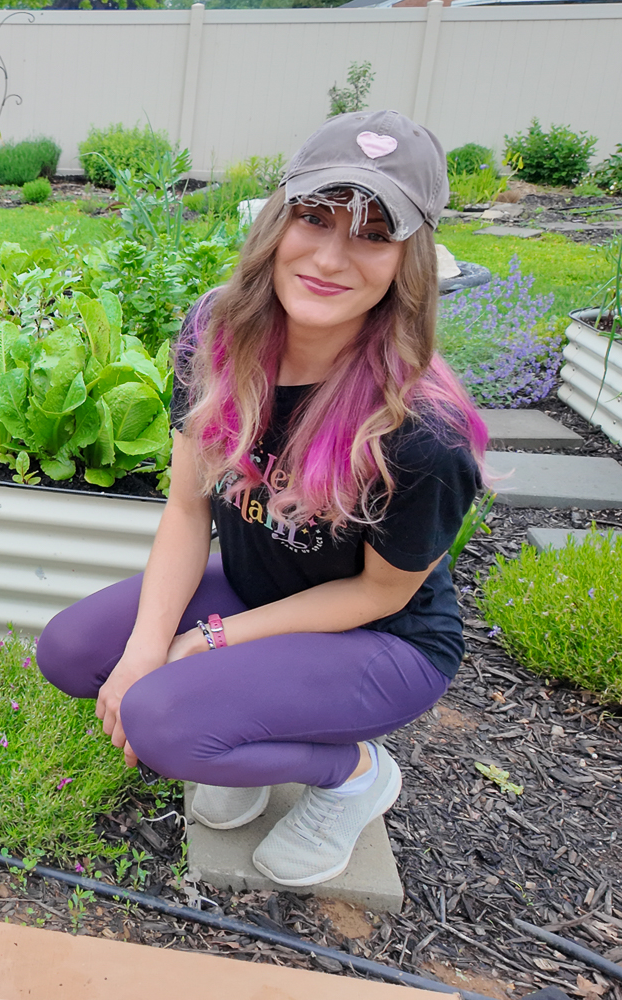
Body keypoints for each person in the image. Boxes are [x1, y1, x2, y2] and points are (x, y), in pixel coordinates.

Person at [36, 109, 487, 887]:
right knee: (74, 653)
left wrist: (210, 642)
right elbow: (186, 510)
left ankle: (351, 776)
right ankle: (237, 722)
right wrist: (149, 648)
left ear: (408, 262)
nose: (330, 256)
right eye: (314, 217)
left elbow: (376, 592)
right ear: (279, 219)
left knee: (162, 725)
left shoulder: (424, 431)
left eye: (373, 234)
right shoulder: (218, 331)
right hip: (257, 585)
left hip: (383, 638)